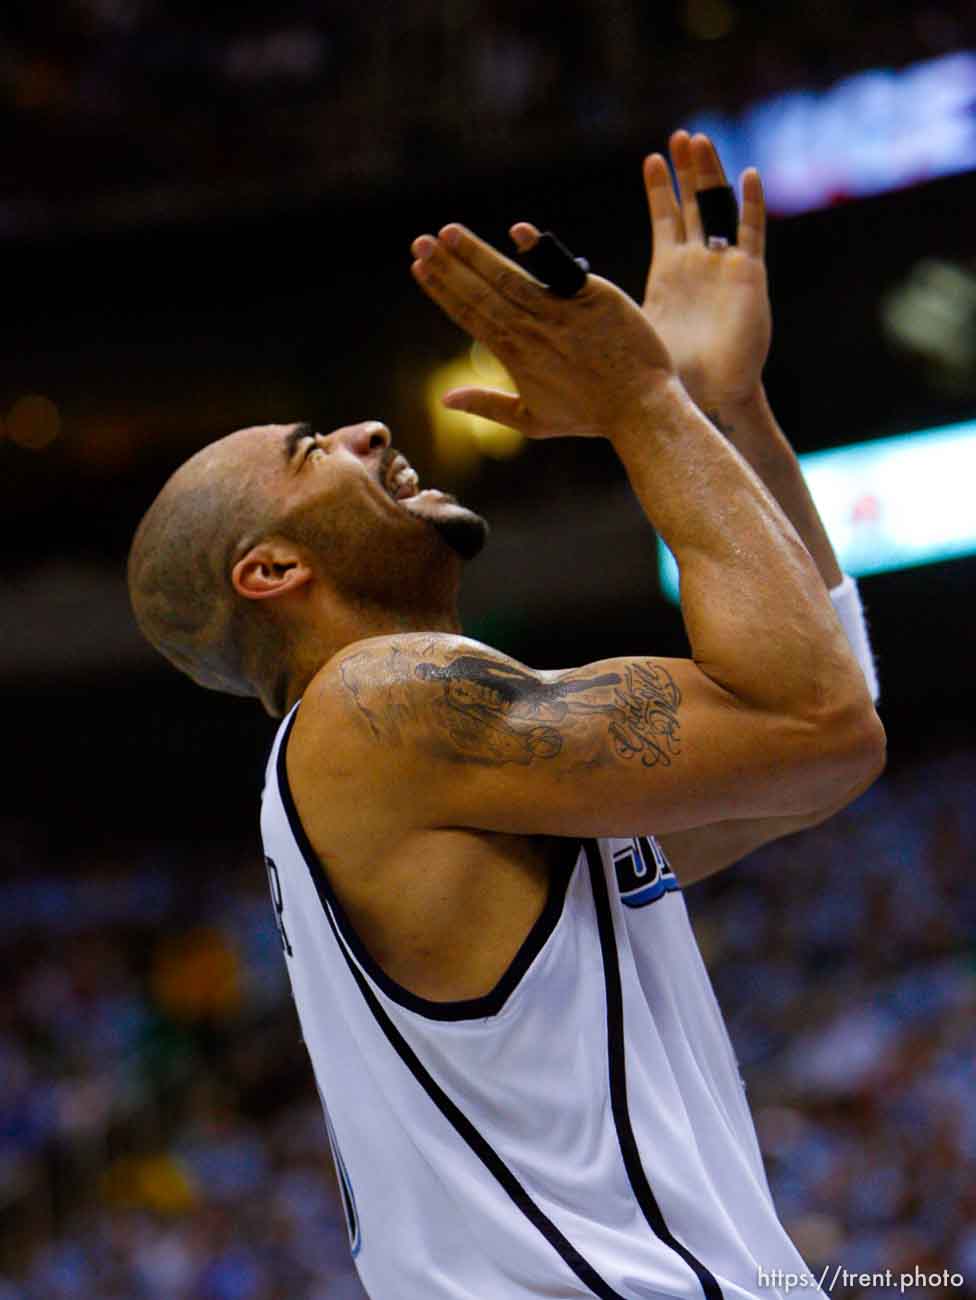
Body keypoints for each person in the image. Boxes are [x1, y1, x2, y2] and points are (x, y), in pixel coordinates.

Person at [128, 132, 885, 1299]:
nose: (368, 433)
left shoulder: (423, 780)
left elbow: (822, 747)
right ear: (270, 570)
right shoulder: (376, 706)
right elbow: (815, 718)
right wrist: (642, 399)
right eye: (309, 450)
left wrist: (716, 408)